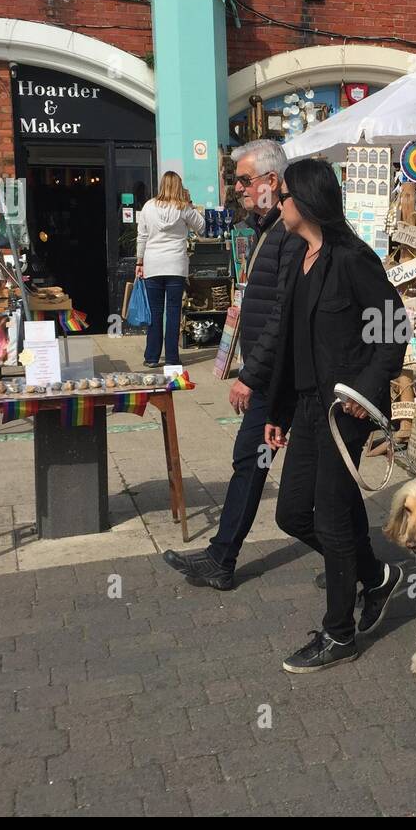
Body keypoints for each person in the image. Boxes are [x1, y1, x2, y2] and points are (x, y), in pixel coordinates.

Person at [263, 159, 407, 673]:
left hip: (344, 410)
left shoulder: (352, 259)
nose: (276, 204)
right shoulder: (300, 256)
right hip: (304, 407)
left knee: (335, 514)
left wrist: (364, 390)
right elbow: (290, 344)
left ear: (304, 201)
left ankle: (339, 633)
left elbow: (393, 327)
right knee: (292, 514)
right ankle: (376, 577)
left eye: (281, 196)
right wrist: (276, 409)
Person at [162, 139, 303, 590]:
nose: (237, 188)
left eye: (244, 180)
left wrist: (251, 376)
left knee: (283, 474)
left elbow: (282, 315)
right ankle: (222, 557)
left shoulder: (288, 232)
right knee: (251, 460)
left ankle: (365, 565)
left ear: (271, 181)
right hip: (271, 372)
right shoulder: (267, 227)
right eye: (237, 180)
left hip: (278, 376)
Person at [134, 170, 202, 368]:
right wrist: (189, 203)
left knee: (155, 312)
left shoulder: (148, 206)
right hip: (175, 265)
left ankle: (151, 357)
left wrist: (139, 262)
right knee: (173, 312)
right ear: (179, 186)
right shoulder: (184, 208)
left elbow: (142, 237)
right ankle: (172, 358)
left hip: (153, 264)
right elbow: (202, 226)